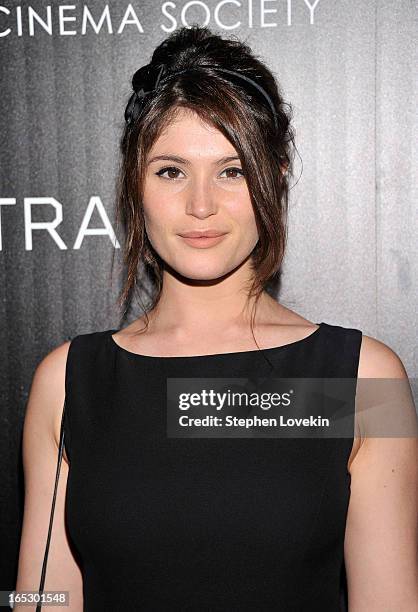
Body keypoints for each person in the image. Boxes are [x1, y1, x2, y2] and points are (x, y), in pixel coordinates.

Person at [15, 25, 417, 612]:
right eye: (171, 171)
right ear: (135, 182)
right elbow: (40, 600)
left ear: (275, 175)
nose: (201, 205)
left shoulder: (358, 383)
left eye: (232, 170)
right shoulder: (69, 381)